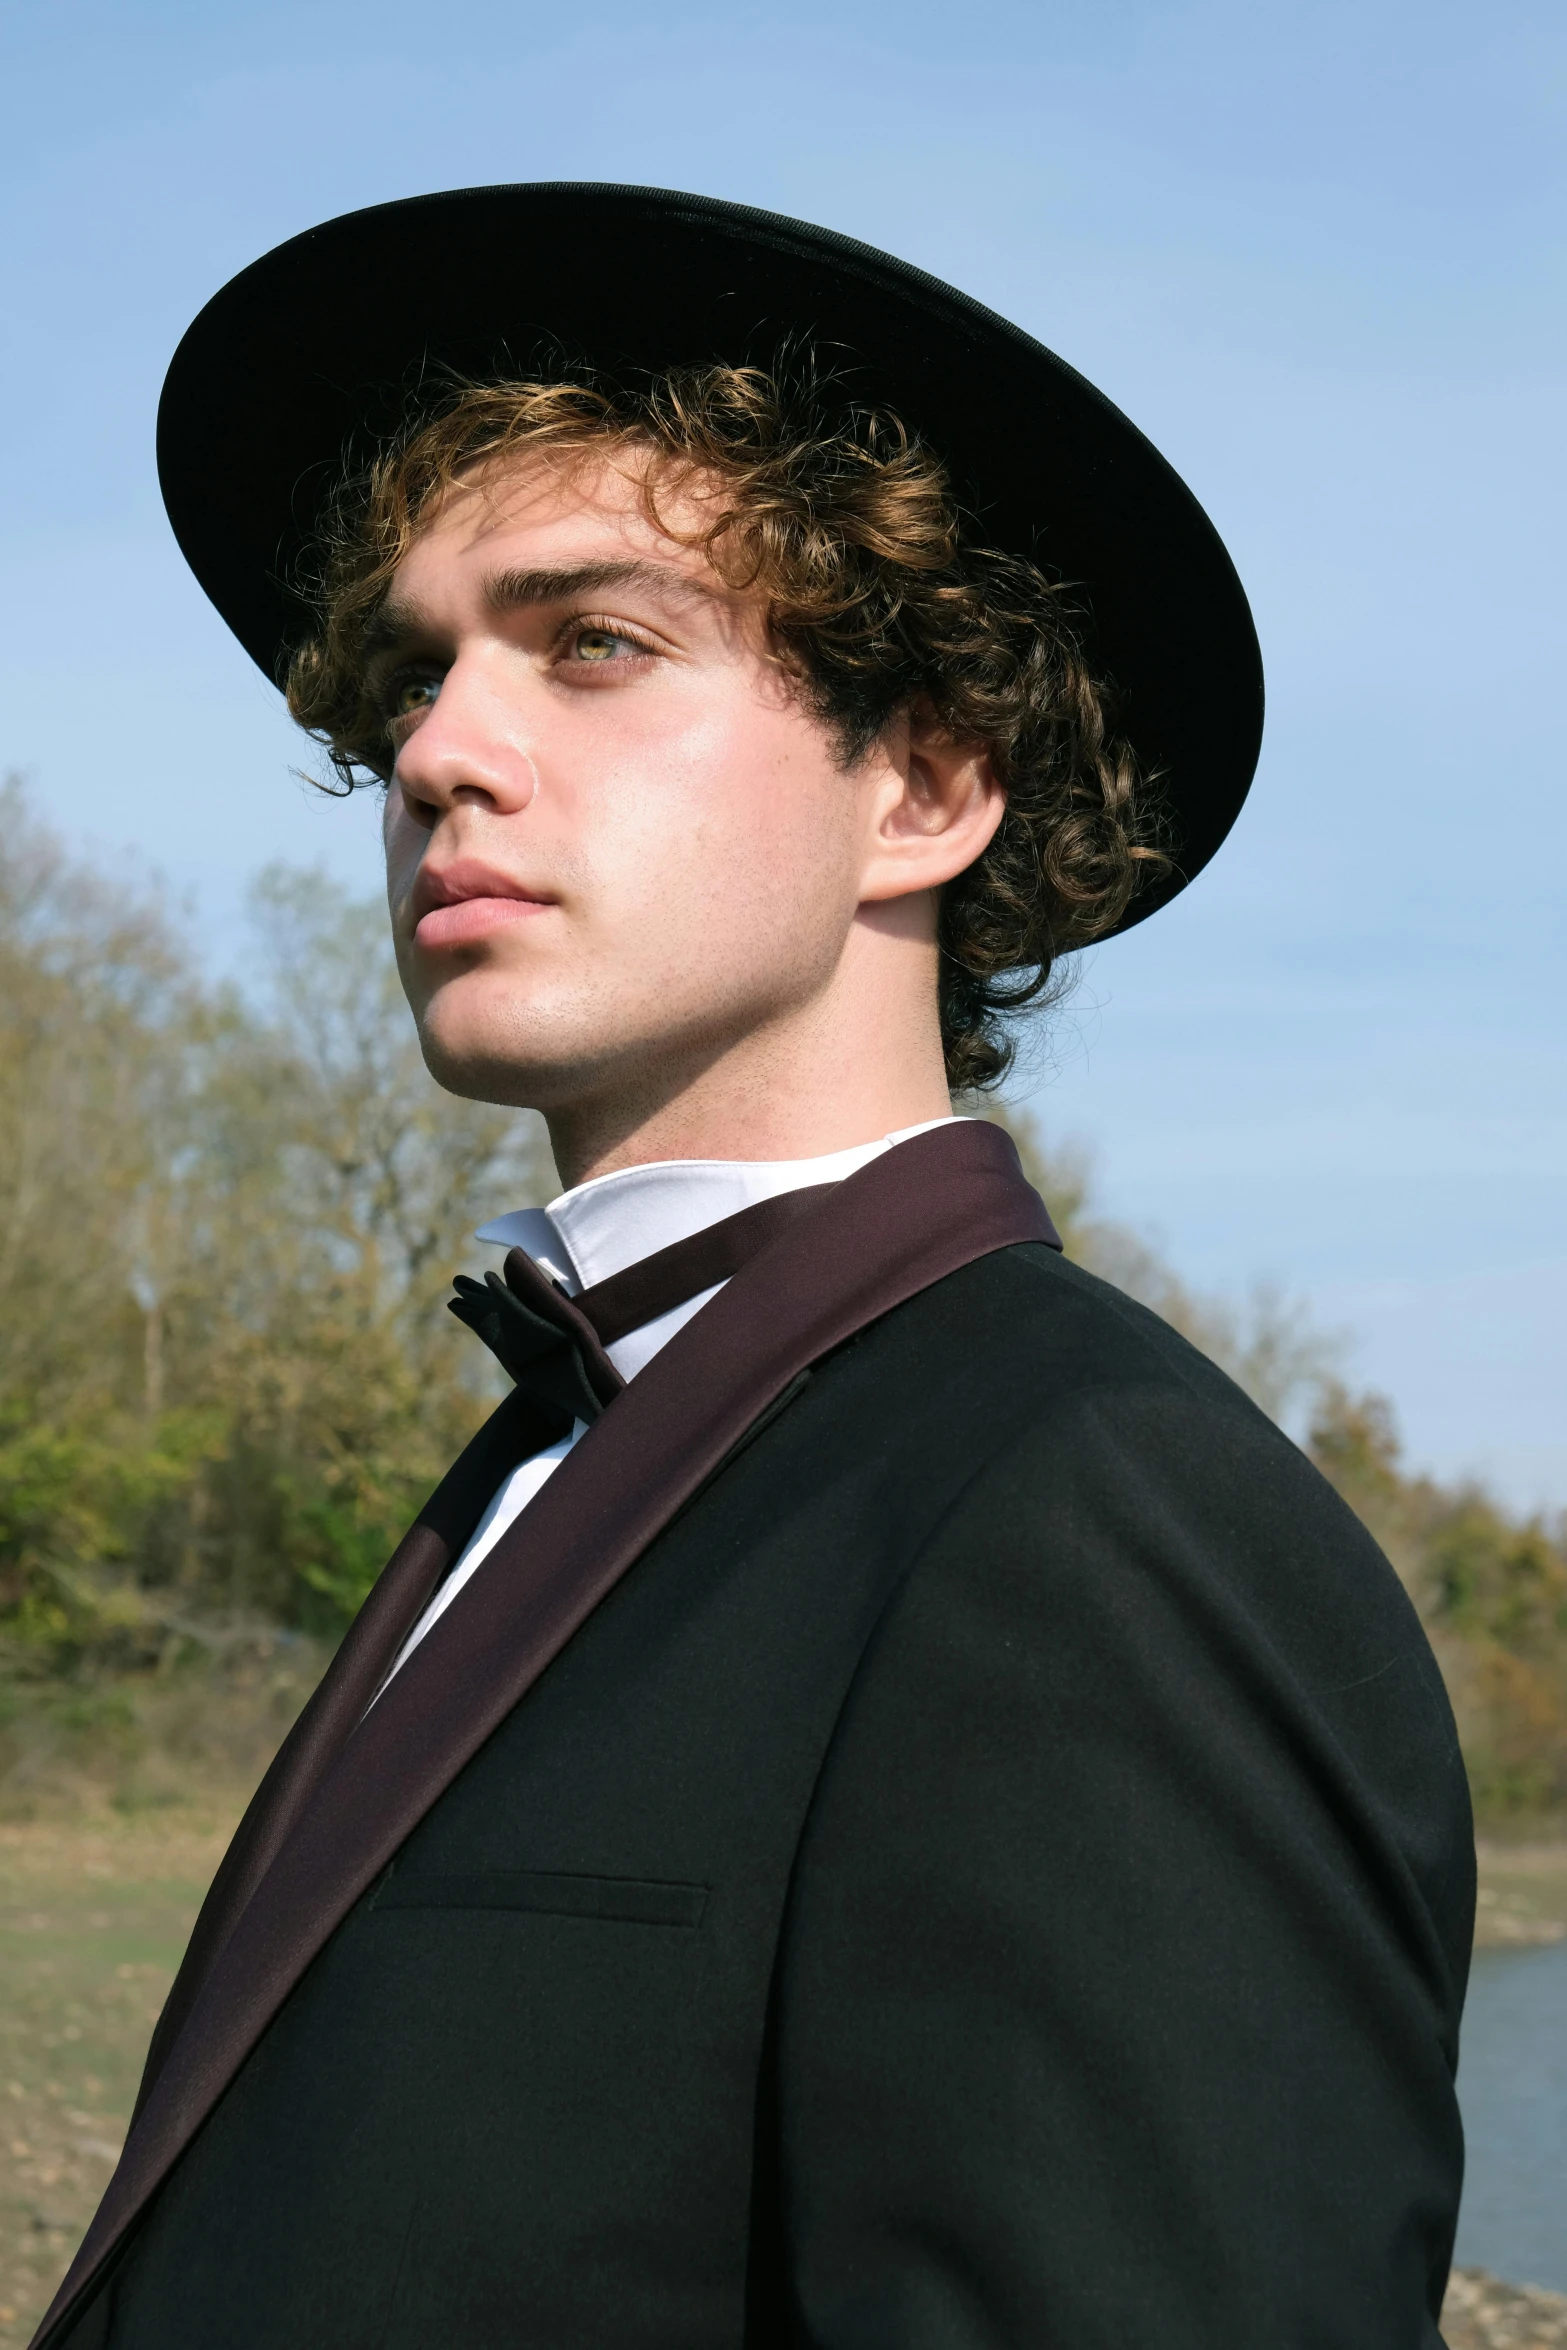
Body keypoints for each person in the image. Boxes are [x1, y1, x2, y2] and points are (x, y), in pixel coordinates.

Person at [37, 187, 1472, 2350]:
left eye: (592, 639)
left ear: (925, 782)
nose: (435, 746)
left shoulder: (1087, 1521)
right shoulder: (556, 1447)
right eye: (417, 667)